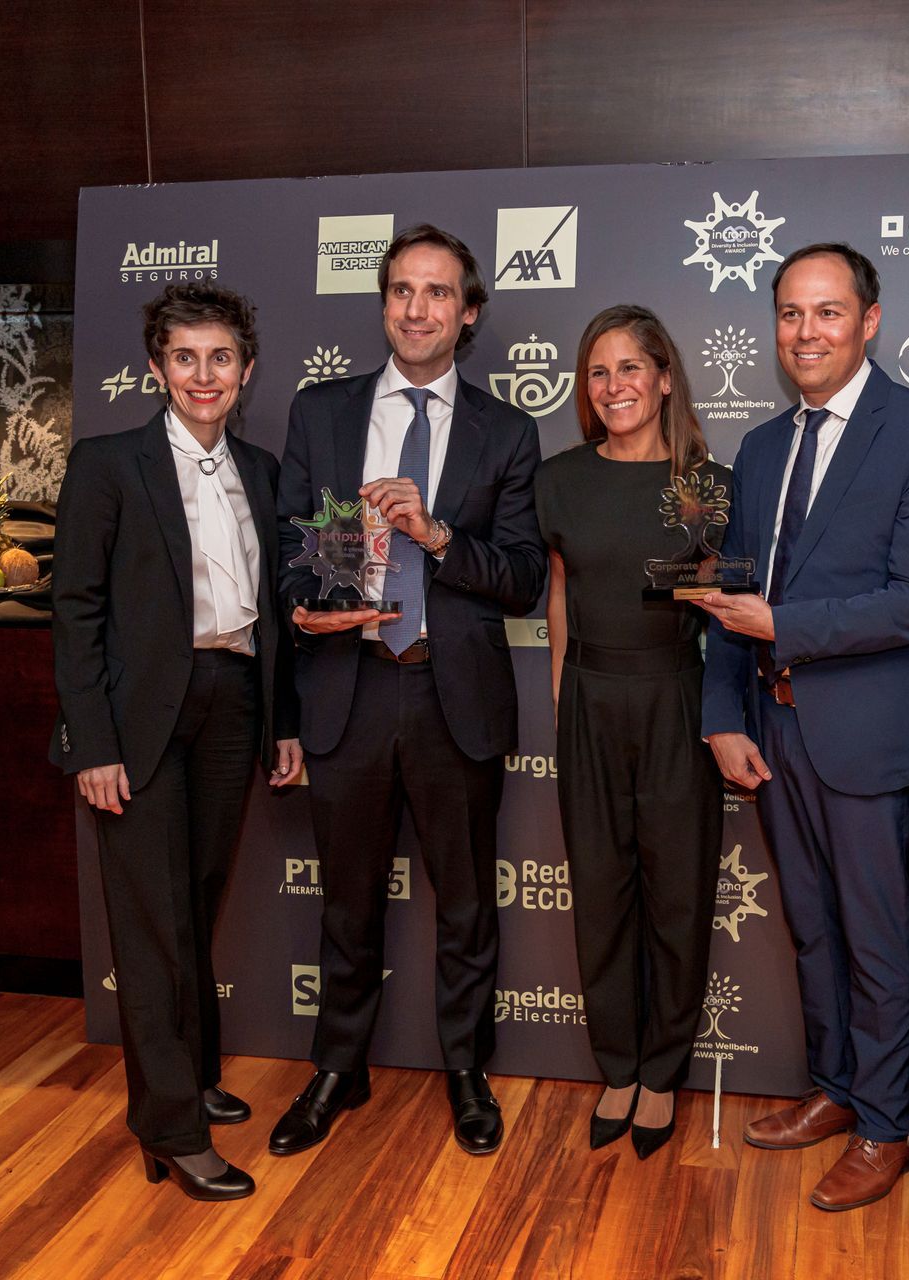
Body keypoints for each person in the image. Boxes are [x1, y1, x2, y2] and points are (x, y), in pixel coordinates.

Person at [696, 243, 909, 1210]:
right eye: (790, 313)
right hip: (773, 735)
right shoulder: (762, 448)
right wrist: (722, 715)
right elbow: (730, 593)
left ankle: (888, 1125)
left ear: (869, 321)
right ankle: (837, 1088)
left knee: (877, 942)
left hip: (868, 742)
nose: (806, 332)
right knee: (812, 931)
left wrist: (785, 626)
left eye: (827, 312)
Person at [268, 224, 547, 1159]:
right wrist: (309, 607)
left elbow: (521, 578)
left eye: (438, 293)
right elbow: (292, 545)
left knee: (466, 905)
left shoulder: (507, 431)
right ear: (383, 302)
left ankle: (466, 1069)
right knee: (346, 903)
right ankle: (337, 1068)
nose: (417, 309)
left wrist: (436, 537)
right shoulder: (323, 412)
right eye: (401, 290)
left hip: (449, 693)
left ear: (468, 313)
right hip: (347, 686)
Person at [50, 283, 302, 1202]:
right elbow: (74, 609)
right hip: (137, 721)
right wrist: (93, 742)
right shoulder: (108, 463)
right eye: (185, 358)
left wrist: (282, 722)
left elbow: (275, 613)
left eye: (220, 358)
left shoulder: (263, 471)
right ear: (157, 368)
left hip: (232, 701)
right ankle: (169, 1128)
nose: (204, 375)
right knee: (151, 922)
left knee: (194, 901)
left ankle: (191, 1076)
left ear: (246, 370)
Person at [536, 304, 728, 1160]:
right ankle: (616, 1064)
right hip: (588, 698)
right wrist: (561, 707)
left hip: (677, 698)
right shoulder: (560, 480)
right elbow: (559, 601)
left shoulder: (708, 486)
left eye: (629, 368)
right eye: (598, 372)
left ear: (663, 378)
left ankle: (662, 1073)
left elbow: (722, 607)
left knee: (678, 898)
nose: (614, 386)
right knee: (601, 894)